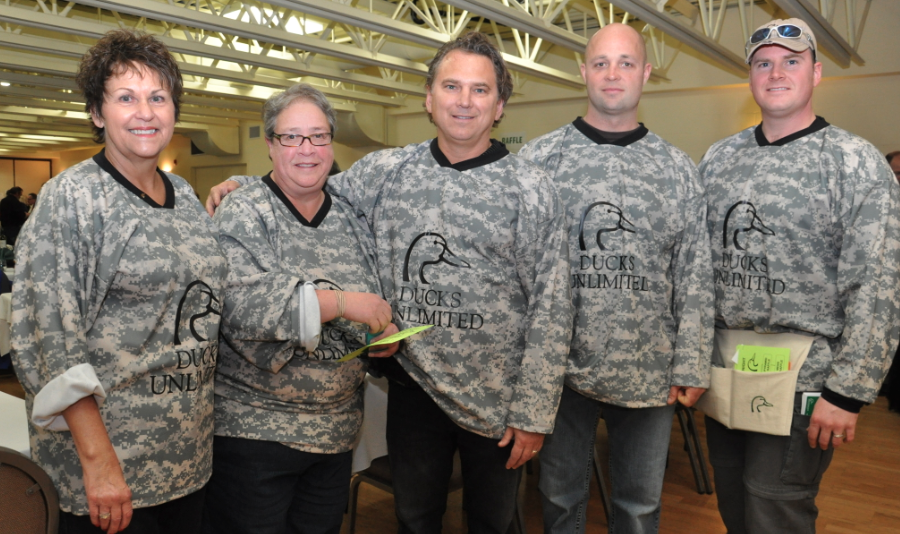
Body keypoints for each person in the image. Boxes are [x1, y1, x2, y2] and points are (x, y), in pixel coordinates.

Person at [207, 31, 574, 534]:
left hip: (495, 398)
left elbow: (553, 307)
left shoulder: (532, 190)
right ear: (429, 98)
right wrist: (243, 185)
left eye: (480, 90)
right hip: (414, 390)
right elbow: (308, 182)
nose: (463, 101)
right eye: (451, 86)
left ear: (499, 106)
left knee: (493, 523)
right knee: (414, 520)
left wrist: (533, 413)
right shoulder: (386, 171)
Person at [11, 30, 227, 534]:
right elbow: (50, 339)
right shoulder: (73, 198)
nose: (145, 112)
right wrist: (100, 462)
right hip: (113, 472)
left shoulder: (184, 194)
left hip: (187, 459)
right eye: (126, 98)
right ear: (96, 112)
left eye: (158, 97)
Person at [698, 18, 900, 533]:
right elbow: (698, 270)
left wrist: (848, 392)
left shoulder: (855, 163)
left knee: (775, 509)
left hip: (802, 377)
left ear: (816, 71)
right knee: (735, 507)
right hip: (726, 368)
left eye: (791, 61)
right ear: (750, 76)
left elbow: (877, 286)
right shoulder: (719, 159)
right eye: (763, 64)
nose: (776, 73)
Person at [518, 23, 713, 534]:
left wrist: (692, 363)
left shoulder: (676, 168)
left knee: (639, 508)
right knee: (559, 500)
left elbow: (695, 273)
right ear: (583, 72)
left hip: (649, 370)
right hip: (560, 370)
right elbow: (517, 270)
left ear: (645, 73)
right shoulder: (538, 161)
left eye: (625, 63)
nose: (612, 74)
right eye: (601, 62)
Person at [202, 83, 400, 534]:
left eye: (318, 136)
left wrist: (379, 334)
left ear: (332, 143)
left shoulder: (351, 216)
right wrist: (343, 302)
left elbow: (375, 297)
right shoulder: (245, 210)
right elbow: (242, 306)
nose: (306, 149)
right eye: (291, 137)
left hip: (334, 437)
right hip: (255, 435)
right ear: (271, 145)